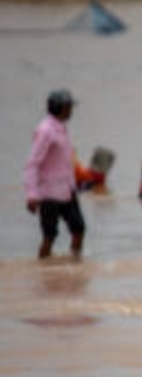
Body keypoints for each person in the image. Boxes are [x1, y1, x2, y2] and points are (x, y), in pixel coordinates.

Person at [24, 89, 85, 259]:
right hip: (49, 193)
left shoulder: (61, 128)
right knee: (50, 236)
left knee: (79, 229)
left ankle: (75, 266)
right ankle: (43, 270)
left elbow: (63, 162)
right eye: (69, 107)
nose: (71, 111)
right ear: (61, 108)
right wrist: (32, 195)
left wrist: (78, 182)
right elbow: (32, 164)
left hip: (67, 190)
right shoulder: (45, 131)